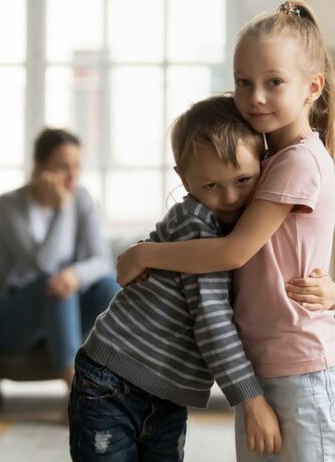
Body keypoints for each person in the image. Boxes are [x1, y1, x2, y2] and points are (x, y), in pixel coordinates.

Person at [116, 3, 335, 460]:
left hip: (297, 363)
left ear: (312, 87)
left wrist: (145, 254)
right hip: (264, 362)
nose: (255, 96)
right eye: (243, 82)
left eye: (274, 82)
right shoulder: (265, 162)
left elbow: (233, 252)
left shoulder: (297, 161)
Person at [69, 95, 284, 461]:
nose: (230, 197)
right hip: (113, 381)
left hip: (164, 392)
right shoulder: (197, 223)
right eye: (211, 186)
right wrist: (251, 399)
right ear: (184, 179)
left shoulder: (241, 227)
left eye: (243, 179)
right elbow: (212, 318)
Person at [0, 128, 119, 387]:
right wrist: (62, 208)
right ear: (39, 166)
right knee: (56, 283)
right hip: (7, 317)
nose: (73, 176)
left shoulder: (82, 198)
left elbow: (102, 261)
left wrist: (75, 275)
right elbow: (42, 265)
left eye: (77, 166)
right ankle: (76, 391)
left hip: (59, 314)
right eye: (63, 167)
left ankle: (115, 381)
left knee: (109, 286)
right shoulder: (9, 204)